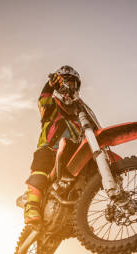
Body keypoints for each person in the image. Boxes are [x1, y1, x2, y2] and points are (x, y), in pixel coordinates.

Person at [23, 65, 83, 224]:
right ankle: (32, 206)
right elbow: (43, 100)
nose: (69, 87)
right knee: (41, 167)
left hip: (70, 152)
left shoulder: (78, 114)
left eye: (73, 84)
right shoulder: (52, 106)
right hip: (49, 148)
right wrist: (50, 85)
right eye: (66, 82)